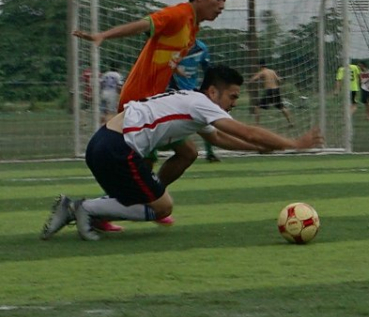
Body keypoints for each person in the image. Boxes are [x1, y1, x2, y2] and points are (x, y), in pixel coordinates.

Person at [40, 65, 324, 242]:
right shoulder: (202, 103)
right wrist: (295, 144)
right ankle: (84, 208)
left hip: (101, 144)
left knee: (188, 151)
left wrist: (261, 148)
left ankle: (86, 207)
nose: (234, 103)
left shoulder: (191, 101)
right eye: (233, 97)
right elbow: (245, 132)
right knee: (162, 208)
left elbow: (223, 139)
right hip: (118, 149)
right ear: (214, 92)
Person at [73, 0, 233, 231]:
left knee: (186, 153)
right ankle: (108, 211)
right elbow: (145, 24)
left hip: (155, 102)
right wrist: (104, 35)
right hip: (137, 102)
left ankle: (149, 199)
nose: (222, 5)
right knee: (146, 162)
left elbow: (163, 53)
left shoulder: (193, 27)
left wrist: (175, 72)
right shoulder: (179, 14)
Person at [168, 39, 219, 162]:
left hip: (192, 92)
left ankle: (210, 153)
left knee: (205, 121)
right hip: (171, 91)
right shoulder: (172, 46)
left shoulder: (201, 48)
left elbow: (208, 70)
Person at [249, 61, 293, 126]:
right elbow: (279, 80)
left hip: (269, 91)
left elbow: (253, 79)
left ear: (260, 66)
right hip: (276, 90)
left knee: (257, 107)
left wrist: (249, 82)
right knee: (282, 107)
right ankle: (291, 122)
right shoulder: (272, 71)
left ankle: (256, 125)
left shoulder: (262, 72)